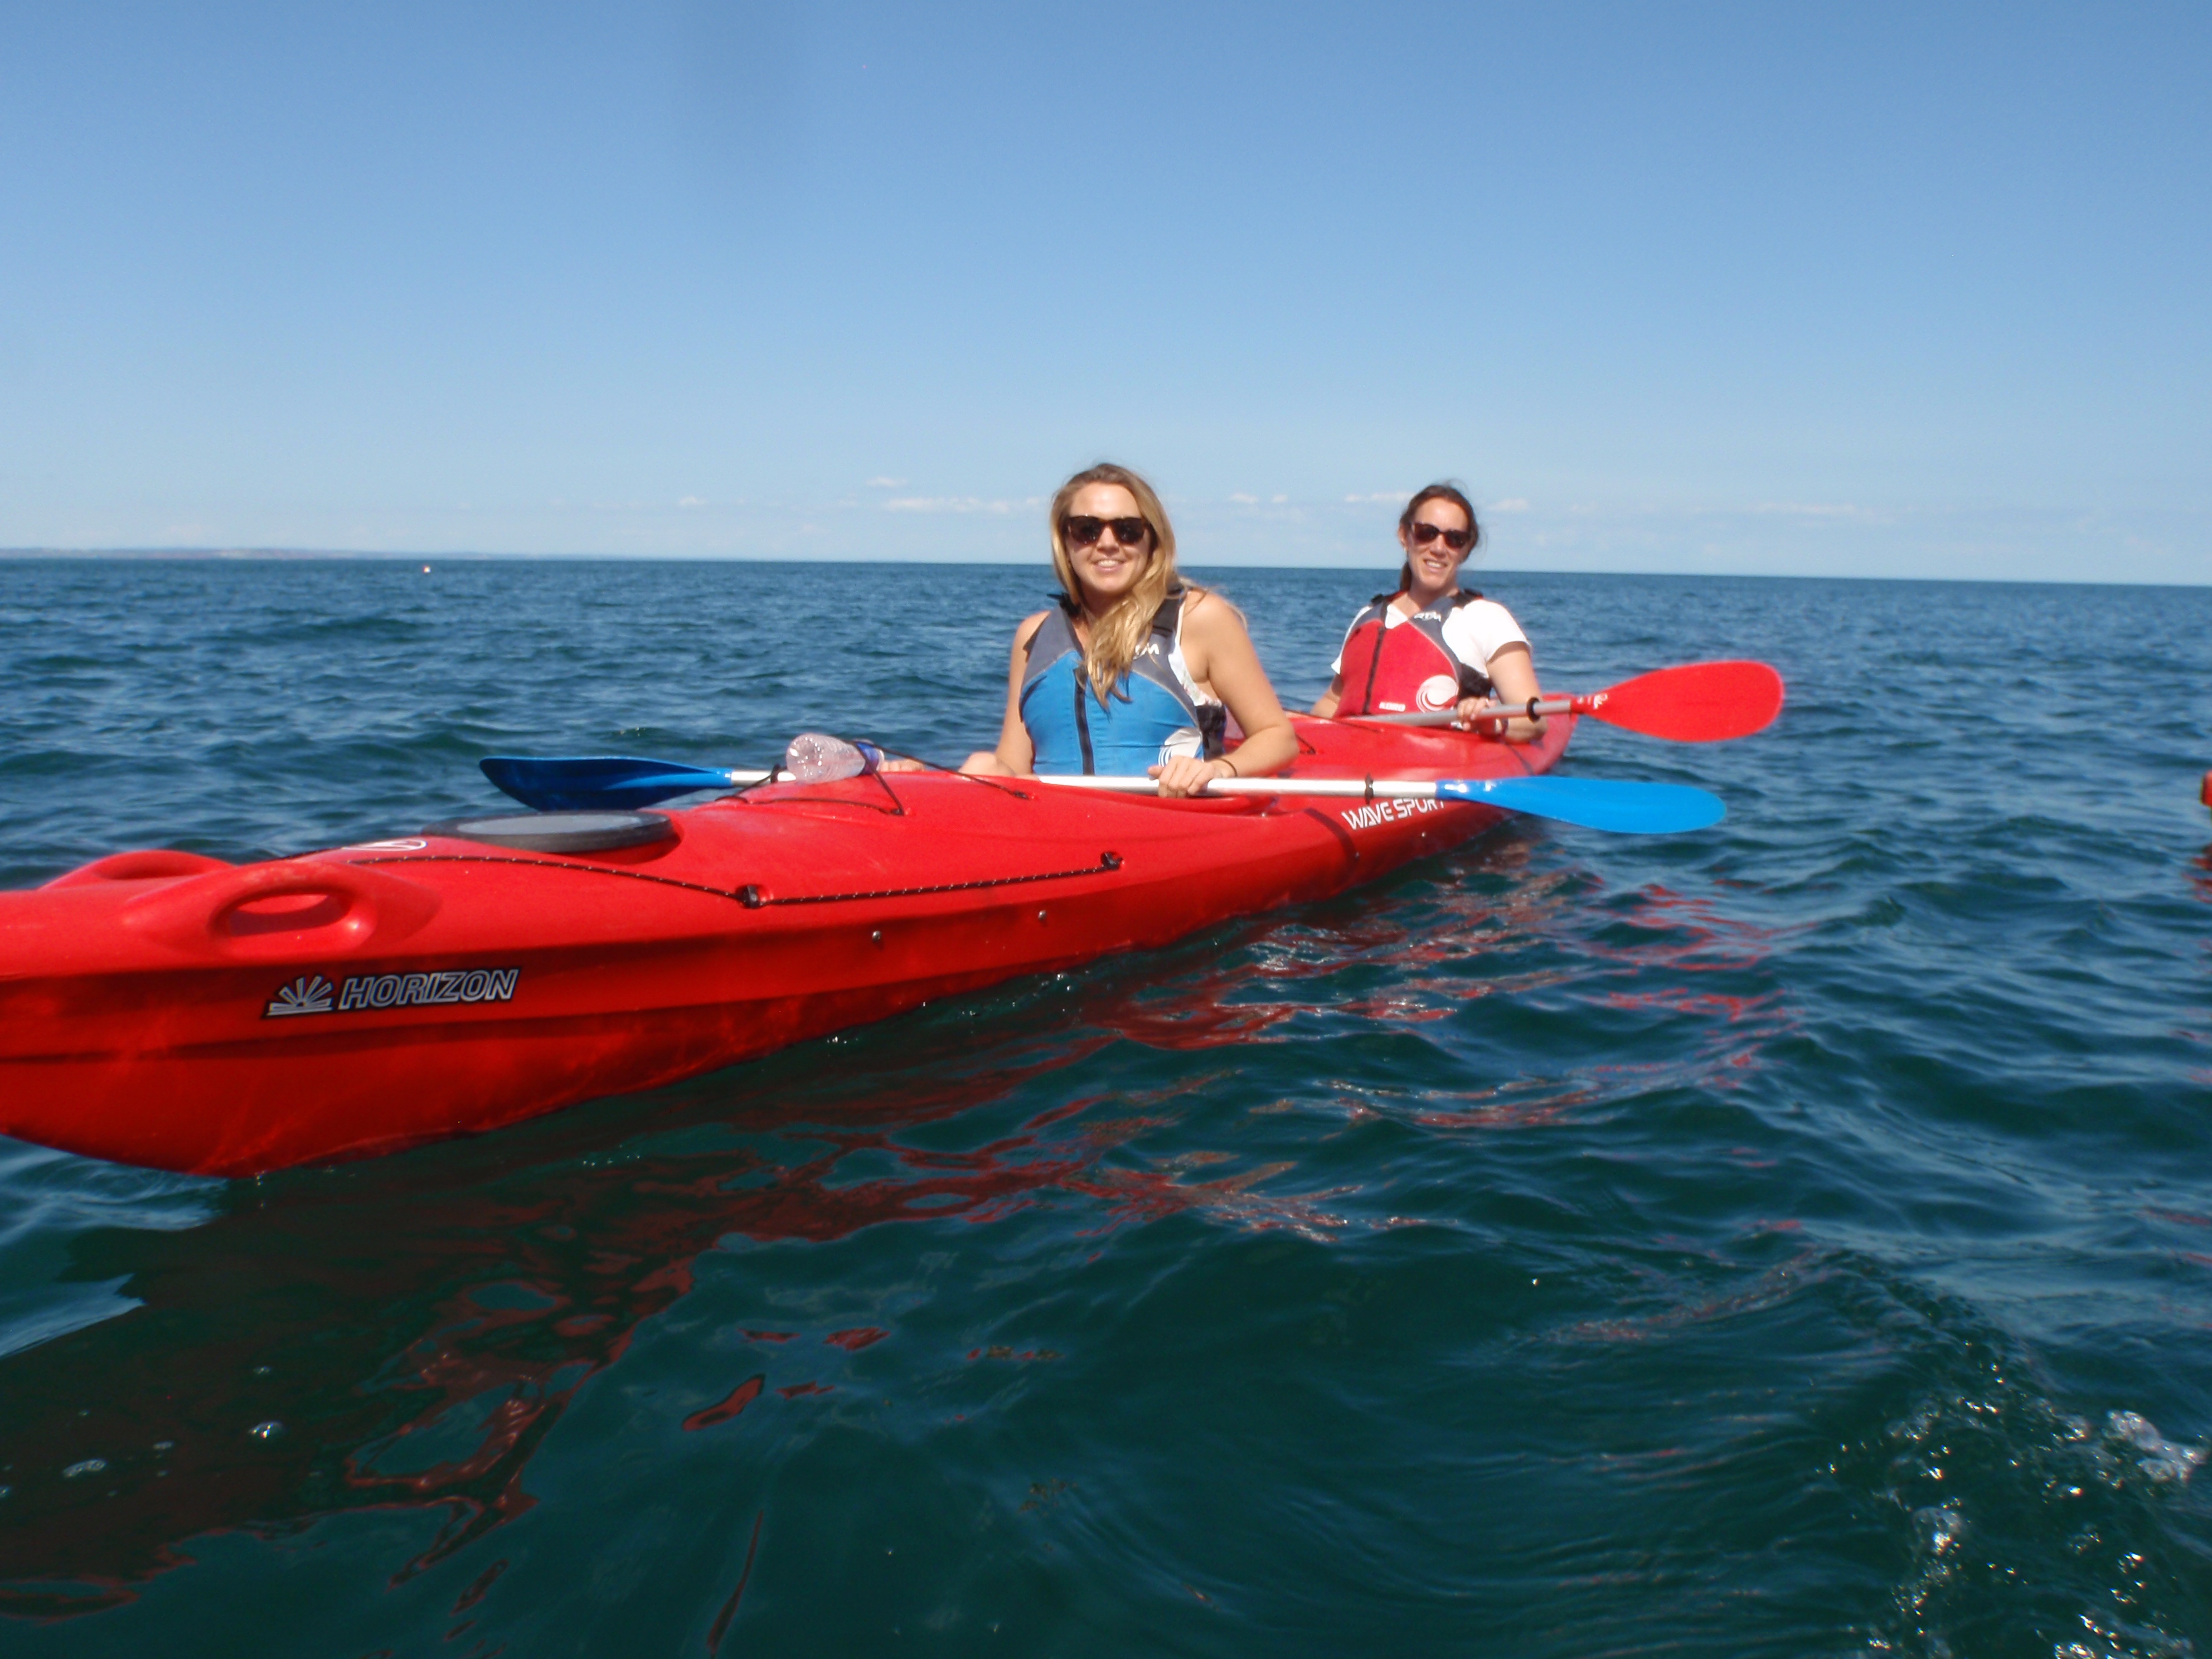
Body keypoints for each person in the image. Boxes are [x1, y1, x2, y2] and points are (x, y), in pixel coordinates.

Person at [963, 463, 1298, 797]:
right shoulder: (1033, 635)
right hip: (1056, 826)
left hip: (1168, 824)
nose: (1108, 544)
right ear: (1065, 542)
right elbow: (1012, 767)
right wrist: (920, 785)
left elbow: (1277, 737)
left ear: (1152, 540)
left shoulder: (1199, 619)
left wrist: (1217, 769)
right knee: (982, 766)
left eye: (1127, 530)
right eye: (1087, 529)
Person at [1310, 483, 1546, 741]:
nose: (1439, 547)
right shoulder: (1368, 616)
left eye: (1455, 539)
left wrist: (1493, 721)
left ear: (1466, 550)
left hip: (1435, 768)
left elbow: (1533, 719)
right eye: (1426, 533)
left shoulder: (1487, 619)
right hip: (1351, 762)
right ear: (1405, 536)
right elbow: (1332, 702)